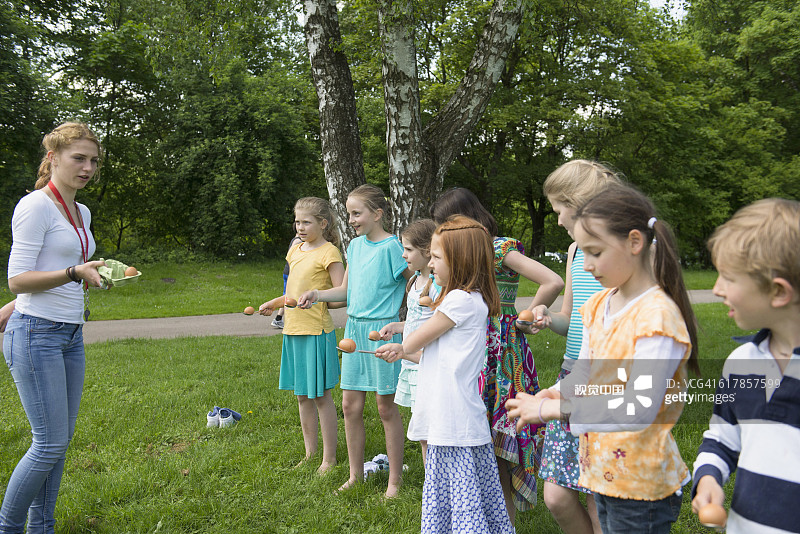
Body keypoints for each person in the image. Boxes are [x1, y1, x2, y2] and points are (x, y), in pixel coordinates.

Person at [506, 183, 700, 534]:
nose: (587, 264)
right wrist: (554, 392)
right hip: (600, 470)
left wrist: (553, 410)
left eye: (595, 252)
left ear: (634, 243)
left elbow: (640, 407)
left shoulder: (657, 316)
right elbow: (587, 370)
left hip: (641, 485)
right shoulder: (599, 305)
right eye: (582, 253)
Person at [430, 187, 564, 520]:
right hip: (475, 344)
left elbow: (552, 281)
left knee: (505, 436)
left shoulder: (497, 247)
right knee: (483, 438)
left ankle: (506, 518)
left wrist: (526, 315)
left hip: (503, 353)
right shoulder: (463, 251)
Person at [375, 215, 514, 534]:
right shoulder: (468, 299)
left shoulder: (458, 301)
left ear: (460, 261)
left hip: (453, 420)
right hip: (451, 416)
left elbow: (415, 338)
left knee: (463, 503)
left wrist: (403, 344)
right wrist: (400, 350)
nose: (431, 263)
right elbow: (433, 356)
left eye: (437, 257)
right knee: (456, 498)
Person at [1, 122, 108, 533]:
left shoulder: (81, 211)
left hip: (69, 335)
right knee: (47, 444)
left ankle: (41, 528)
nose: (87, 167)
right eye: (78, 158)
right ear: (53, 158)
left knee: (57, 445)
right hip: (35, 335)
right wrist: (73, 271)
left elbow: (62, 270)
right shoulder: (35, 206)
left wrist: (90, 274)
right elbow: (18, 278)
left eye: (93, 160)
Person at [691, 198, 800, 534]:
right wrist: (708, 476)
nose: (716, 289)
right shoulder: (742, 363)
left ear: (778, 292)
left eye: (727, 277)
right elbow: (723, 437)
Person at [298, 184, 411, 498]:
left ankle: (394, 482)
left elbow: (416, 282)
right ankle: (355, 475)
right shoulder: (355, 246)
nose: (351, 219)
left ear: (377, 214)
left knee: (385, 408)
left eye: (357, 213)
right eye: (348, 214)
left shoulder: (393, 247)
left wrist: (421, 307)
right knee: (350, 406)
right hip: (353, 332)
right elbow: (346, 291)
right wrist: (318, 294)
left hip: (381, 334)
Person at [530, 160, 621, 534]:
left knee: (597, 495)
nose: (557, 220)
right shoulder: (572, 252)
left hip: (608, 377)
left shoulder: (620, 255)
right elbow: (571, 319)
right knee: (556, 494)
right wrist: (548, 318)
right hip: (573, 369)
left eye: (558, 210)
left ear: (579, 203)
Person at [260, 197, 345, 474]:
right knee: (302, 396)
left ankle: (329, 459)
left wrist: (317, 298)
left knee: (320, 396)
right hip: (293, 330)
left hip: (316, 332)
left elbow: (342, 295)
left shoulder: (329, 252)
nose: (300, 227)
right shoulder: (295, 249)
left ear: (323, 223)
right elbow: (292, 294)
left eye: (306, 222)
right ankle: (310, 454)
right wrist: (275, 303)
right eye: (297, 221)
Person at [378, 218, 438, 464]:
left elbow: (435, 328)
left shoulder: (436, 287)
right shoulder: (414, 281)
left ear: (427, 251)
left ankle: (435, 485)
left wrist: (404, 350)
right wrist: (397, 327)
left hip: (427, 363)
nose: (403, 255)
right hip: (412, 364)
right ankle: (431, 486)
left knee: (432, 433)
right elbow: (417, 323)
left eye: (409, 249)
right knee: (423, 432)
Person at [272, 227, 302, 329]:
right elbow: (291, 257)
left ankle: (278, 318)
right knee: (289, 295)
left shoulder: (296, 239)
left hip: (289, 272)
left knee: (288, 295)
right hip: (290, 272)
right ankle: (280, 319)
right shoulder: (298, 241)